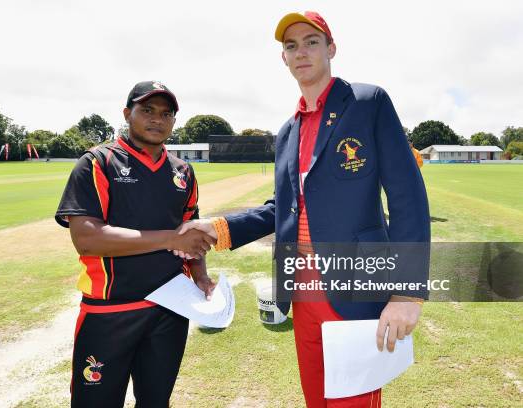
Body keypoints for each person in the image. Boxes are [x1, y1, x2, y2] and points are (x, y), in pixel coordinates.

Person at [177, 11, 430, 407]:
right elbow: (283, 208)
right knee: (316, 397)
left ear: (331, 48)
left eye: (312, 41)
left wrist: (406, 294)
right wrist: (218, 228)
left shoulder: (368, 102)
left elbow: (407, 198)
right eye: (291, 46)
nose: (301, 52)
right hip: (301, 286)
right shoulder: (287, 131)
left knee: (353, 401)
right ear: (283, 58)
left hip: (357, 284)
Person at [55, 81, 216, 408]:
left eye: (166, 113)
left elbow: (190, 232)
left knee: (156, 402)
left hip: (170, 309)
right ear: (128, 113)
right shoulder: (97, 163)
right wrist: (172, 238)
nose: (157, 119)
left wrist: (200, 275)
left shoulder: (183, 172)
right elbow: (87, 239)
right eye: (147, 110)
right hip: (110, 311)